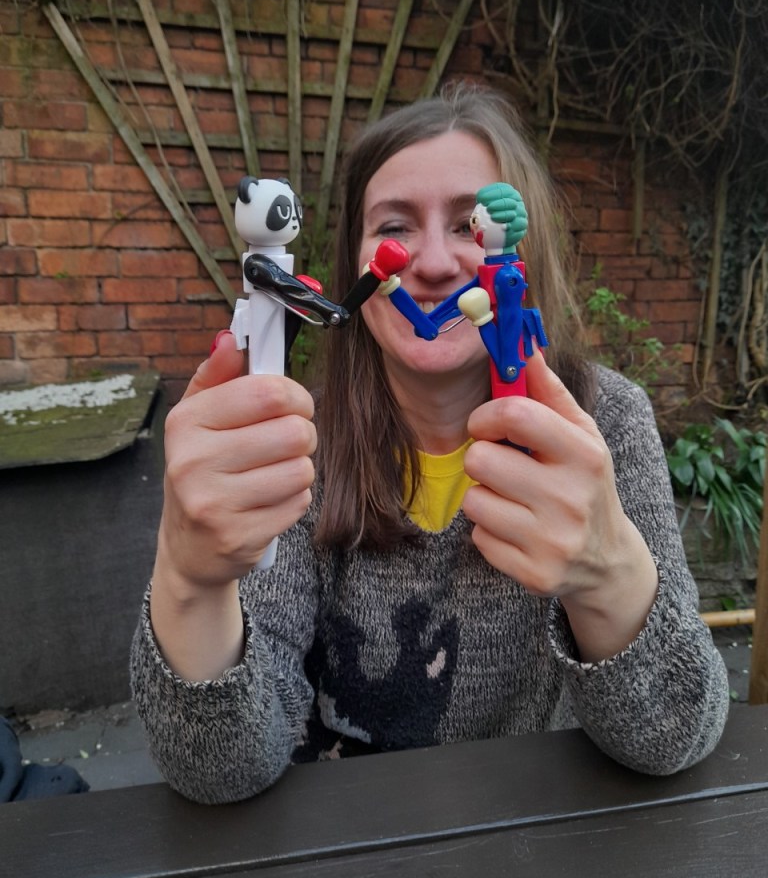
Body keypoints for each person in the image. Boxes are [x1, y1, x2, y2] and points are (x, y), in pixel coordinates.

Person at [130, 83, 729, 805]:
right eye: (396, 226)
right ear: (357, 261)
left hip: (547, 841)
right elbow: (221, 771)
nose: (437, 262)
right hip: (349, 846)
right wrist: (190, 583)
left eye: (470, 225)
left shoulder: (607, 424)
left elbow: (675, 739)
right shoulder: (291, 445)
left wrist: (608, 578)